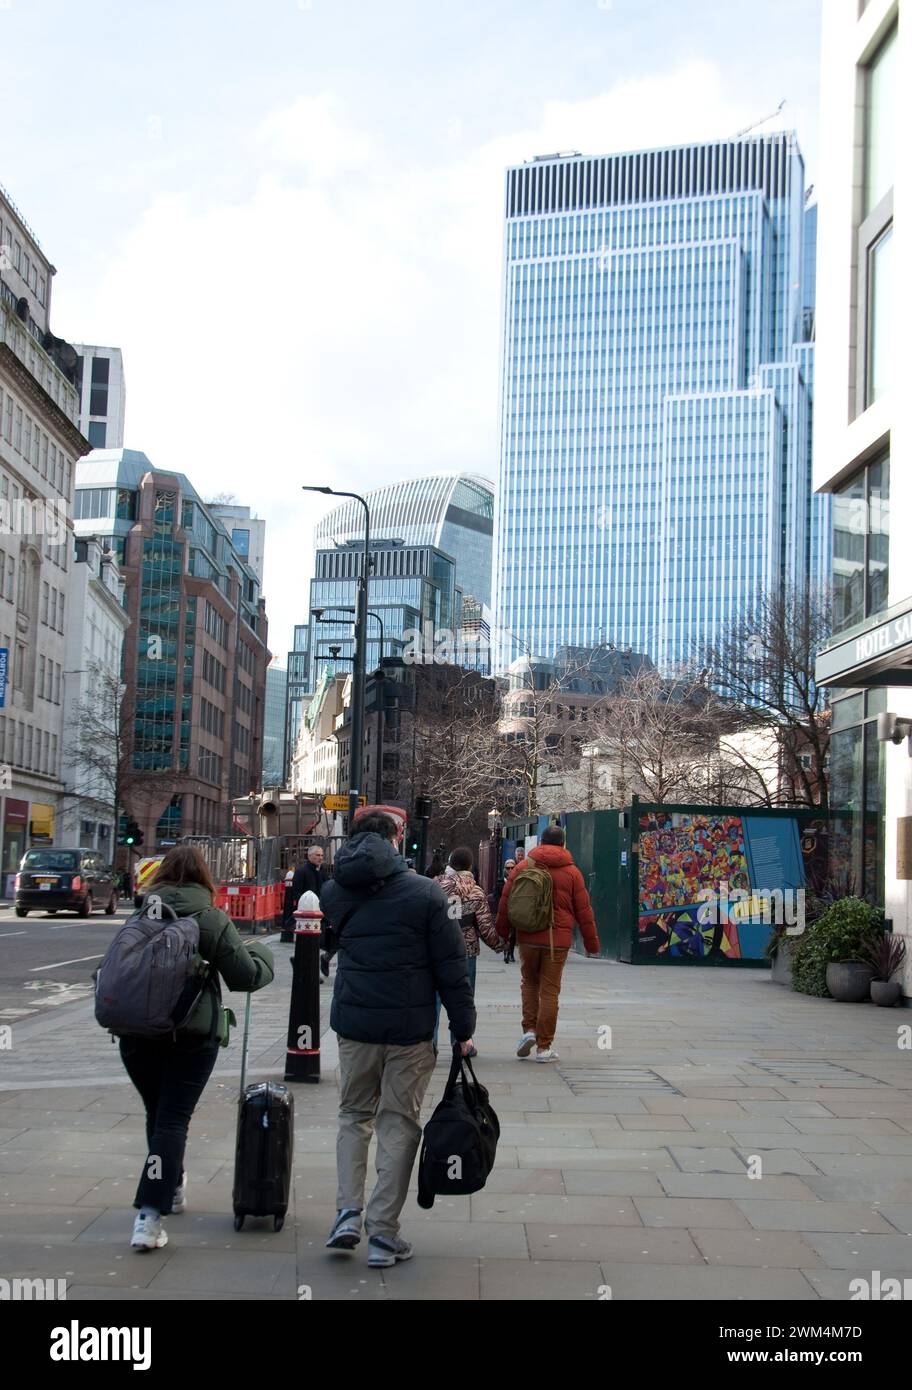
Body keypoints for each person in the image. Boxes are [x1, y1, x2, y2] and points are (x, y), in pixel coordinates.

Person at [321, 810, 476, 1269]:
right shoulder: (426, 893)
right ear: (395, 839)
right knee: (398, 1122)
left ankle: (347, 1213)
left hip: (355, 1025)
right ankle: (383, 1234)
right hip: (409, 1030)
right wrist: (463, 1028)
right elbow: (451, 967)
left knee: (353, 1115)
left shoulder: (334, 891)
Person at [118, 845, 274, 1252]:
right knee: (172, 1120)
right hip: (190, 1035)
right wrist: (262, 953)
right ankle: (149, 1215)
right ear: (205, 878)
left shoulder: (140, 915)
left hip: (135, 1035)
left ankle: (169, 1187)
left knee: (159, 1115)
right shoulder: (210, 918)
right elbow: (245, 977)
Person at [495, 825, 599, 1063]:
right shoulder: (572, 873)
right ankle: (544, 1048)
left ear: (541, 842)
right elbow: (584, 911)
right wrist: (591, 943)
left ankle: (529, 1031)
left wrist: (502, 932)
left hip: (528, 936)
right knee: (550, 991)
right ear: (563, 844)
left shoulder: (523, 867)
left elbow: (506, 901)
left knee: (529, 983)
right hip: (557, 940)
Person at [432, 848, 502, 1057]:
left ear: (450, 864)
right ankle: (461, 1043)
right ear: (470, 866)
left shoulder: (434, 887)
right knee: (463, 998)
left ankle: (429, 1044)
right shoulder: (476, 892)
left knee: (433, 998)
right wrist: (499, 945)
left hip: (437, 949)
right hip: (466, 950)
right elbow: (485, 926)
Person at [291, 845, 333, 979]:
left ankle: (324, 958)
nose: (320, 858)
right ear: (309, 856)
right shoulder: (301, 872)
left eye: (322, 855)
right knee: (313, 943)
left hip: (323, 912)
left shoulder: (323, 872)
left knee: (333, 940)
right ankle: (311, 972)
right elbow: (296, 893)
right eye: (317, 855)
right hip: (308, 914)